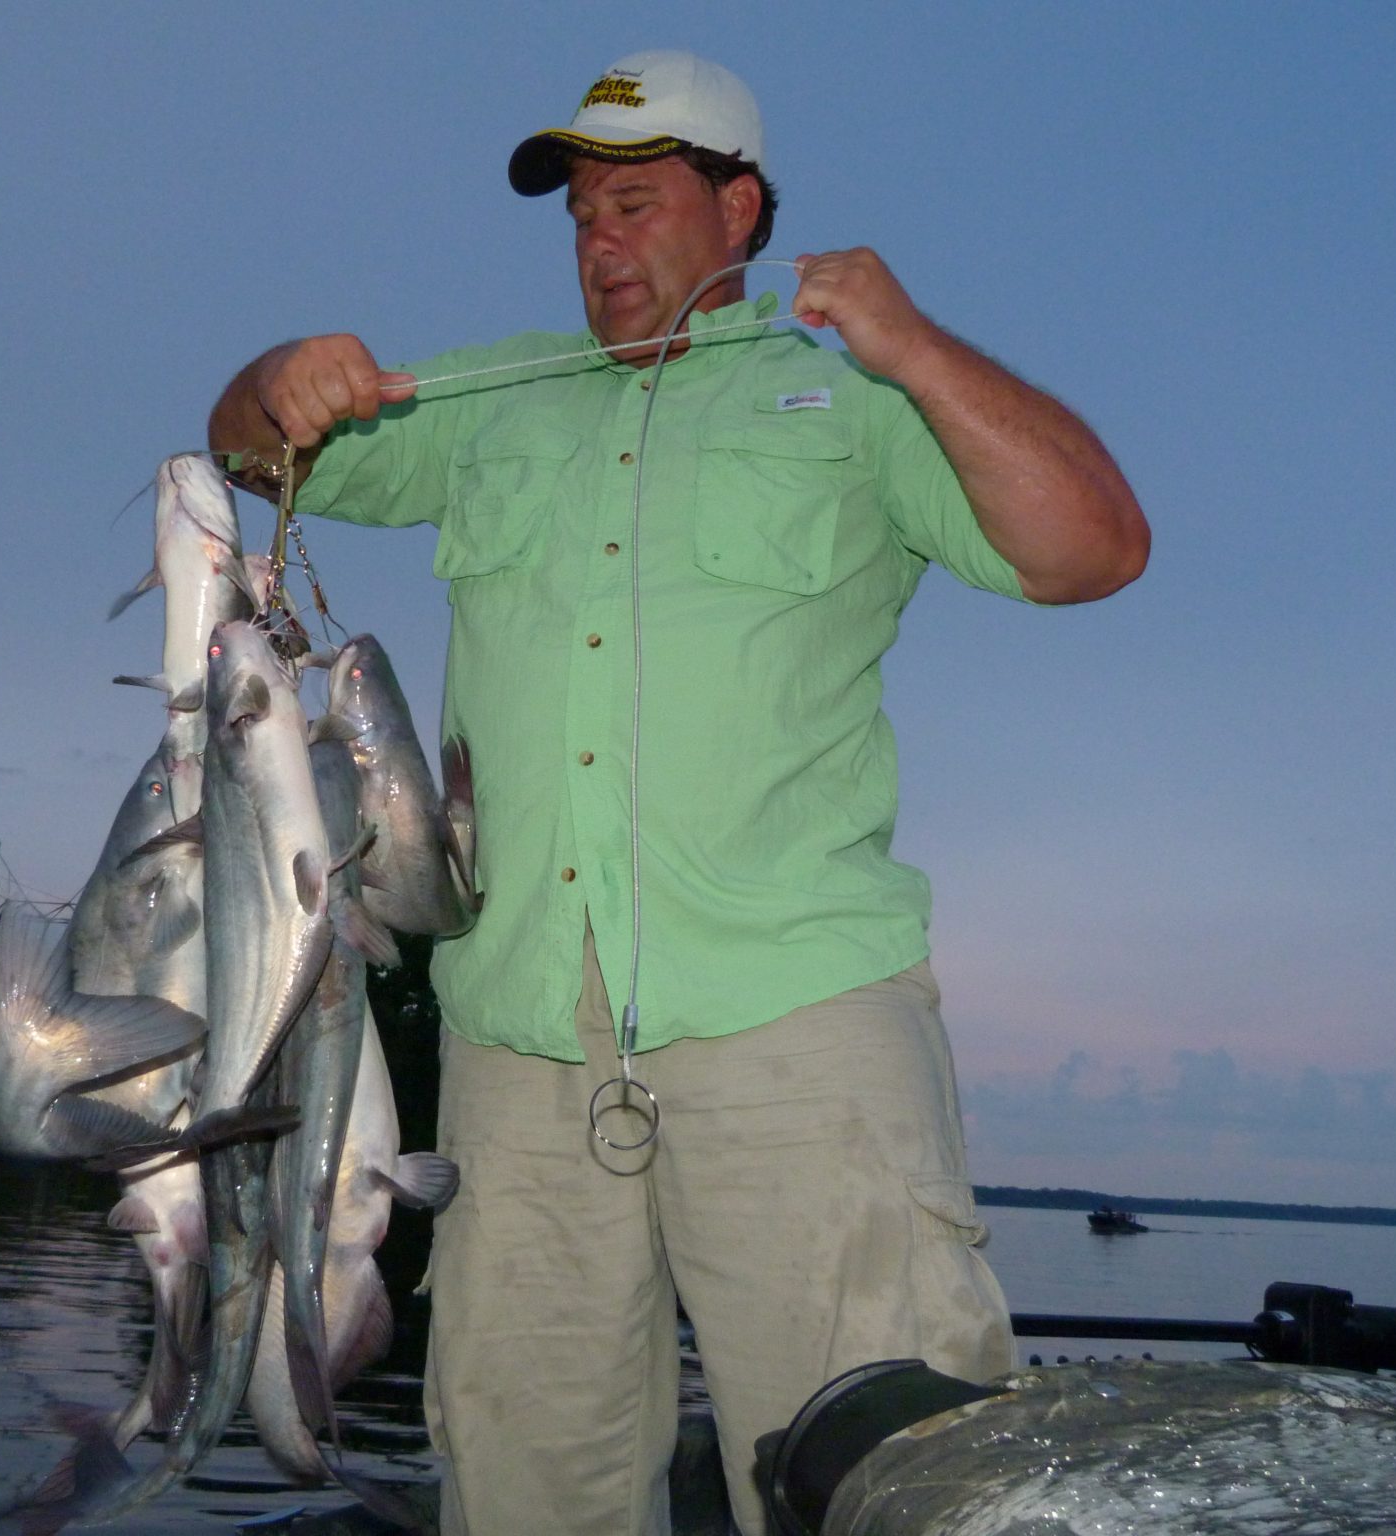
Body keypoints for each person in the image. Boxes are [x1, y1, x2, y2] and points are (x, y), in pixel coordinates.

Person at [209, 49, 1147, 1536]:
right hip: (516, 1047)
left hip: (800, 1028)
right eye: (581, 215)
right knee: (526, 1485)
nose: (599, 243)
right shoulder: (487, 402)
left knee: (886, 1480)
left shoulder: (855, 406)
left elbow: (1091, 548)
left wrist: (916, 348)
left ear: (741, 208)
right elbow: (255, 453)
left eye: (635, 204)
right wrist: (276, 381)